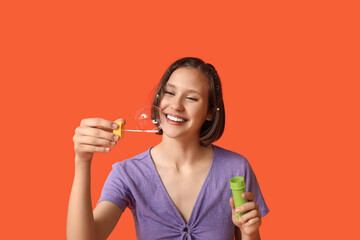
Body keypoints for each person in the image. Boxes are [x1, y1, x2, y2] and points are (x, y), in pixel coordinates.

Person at [67, 57, 269, 240]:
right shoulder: (128, 173)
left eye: (191, 98)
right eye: (170, 93)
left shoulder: (236, 169)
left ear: (209, 112)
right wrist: (82, 161)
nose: (176, 105)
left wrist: (249, 232)